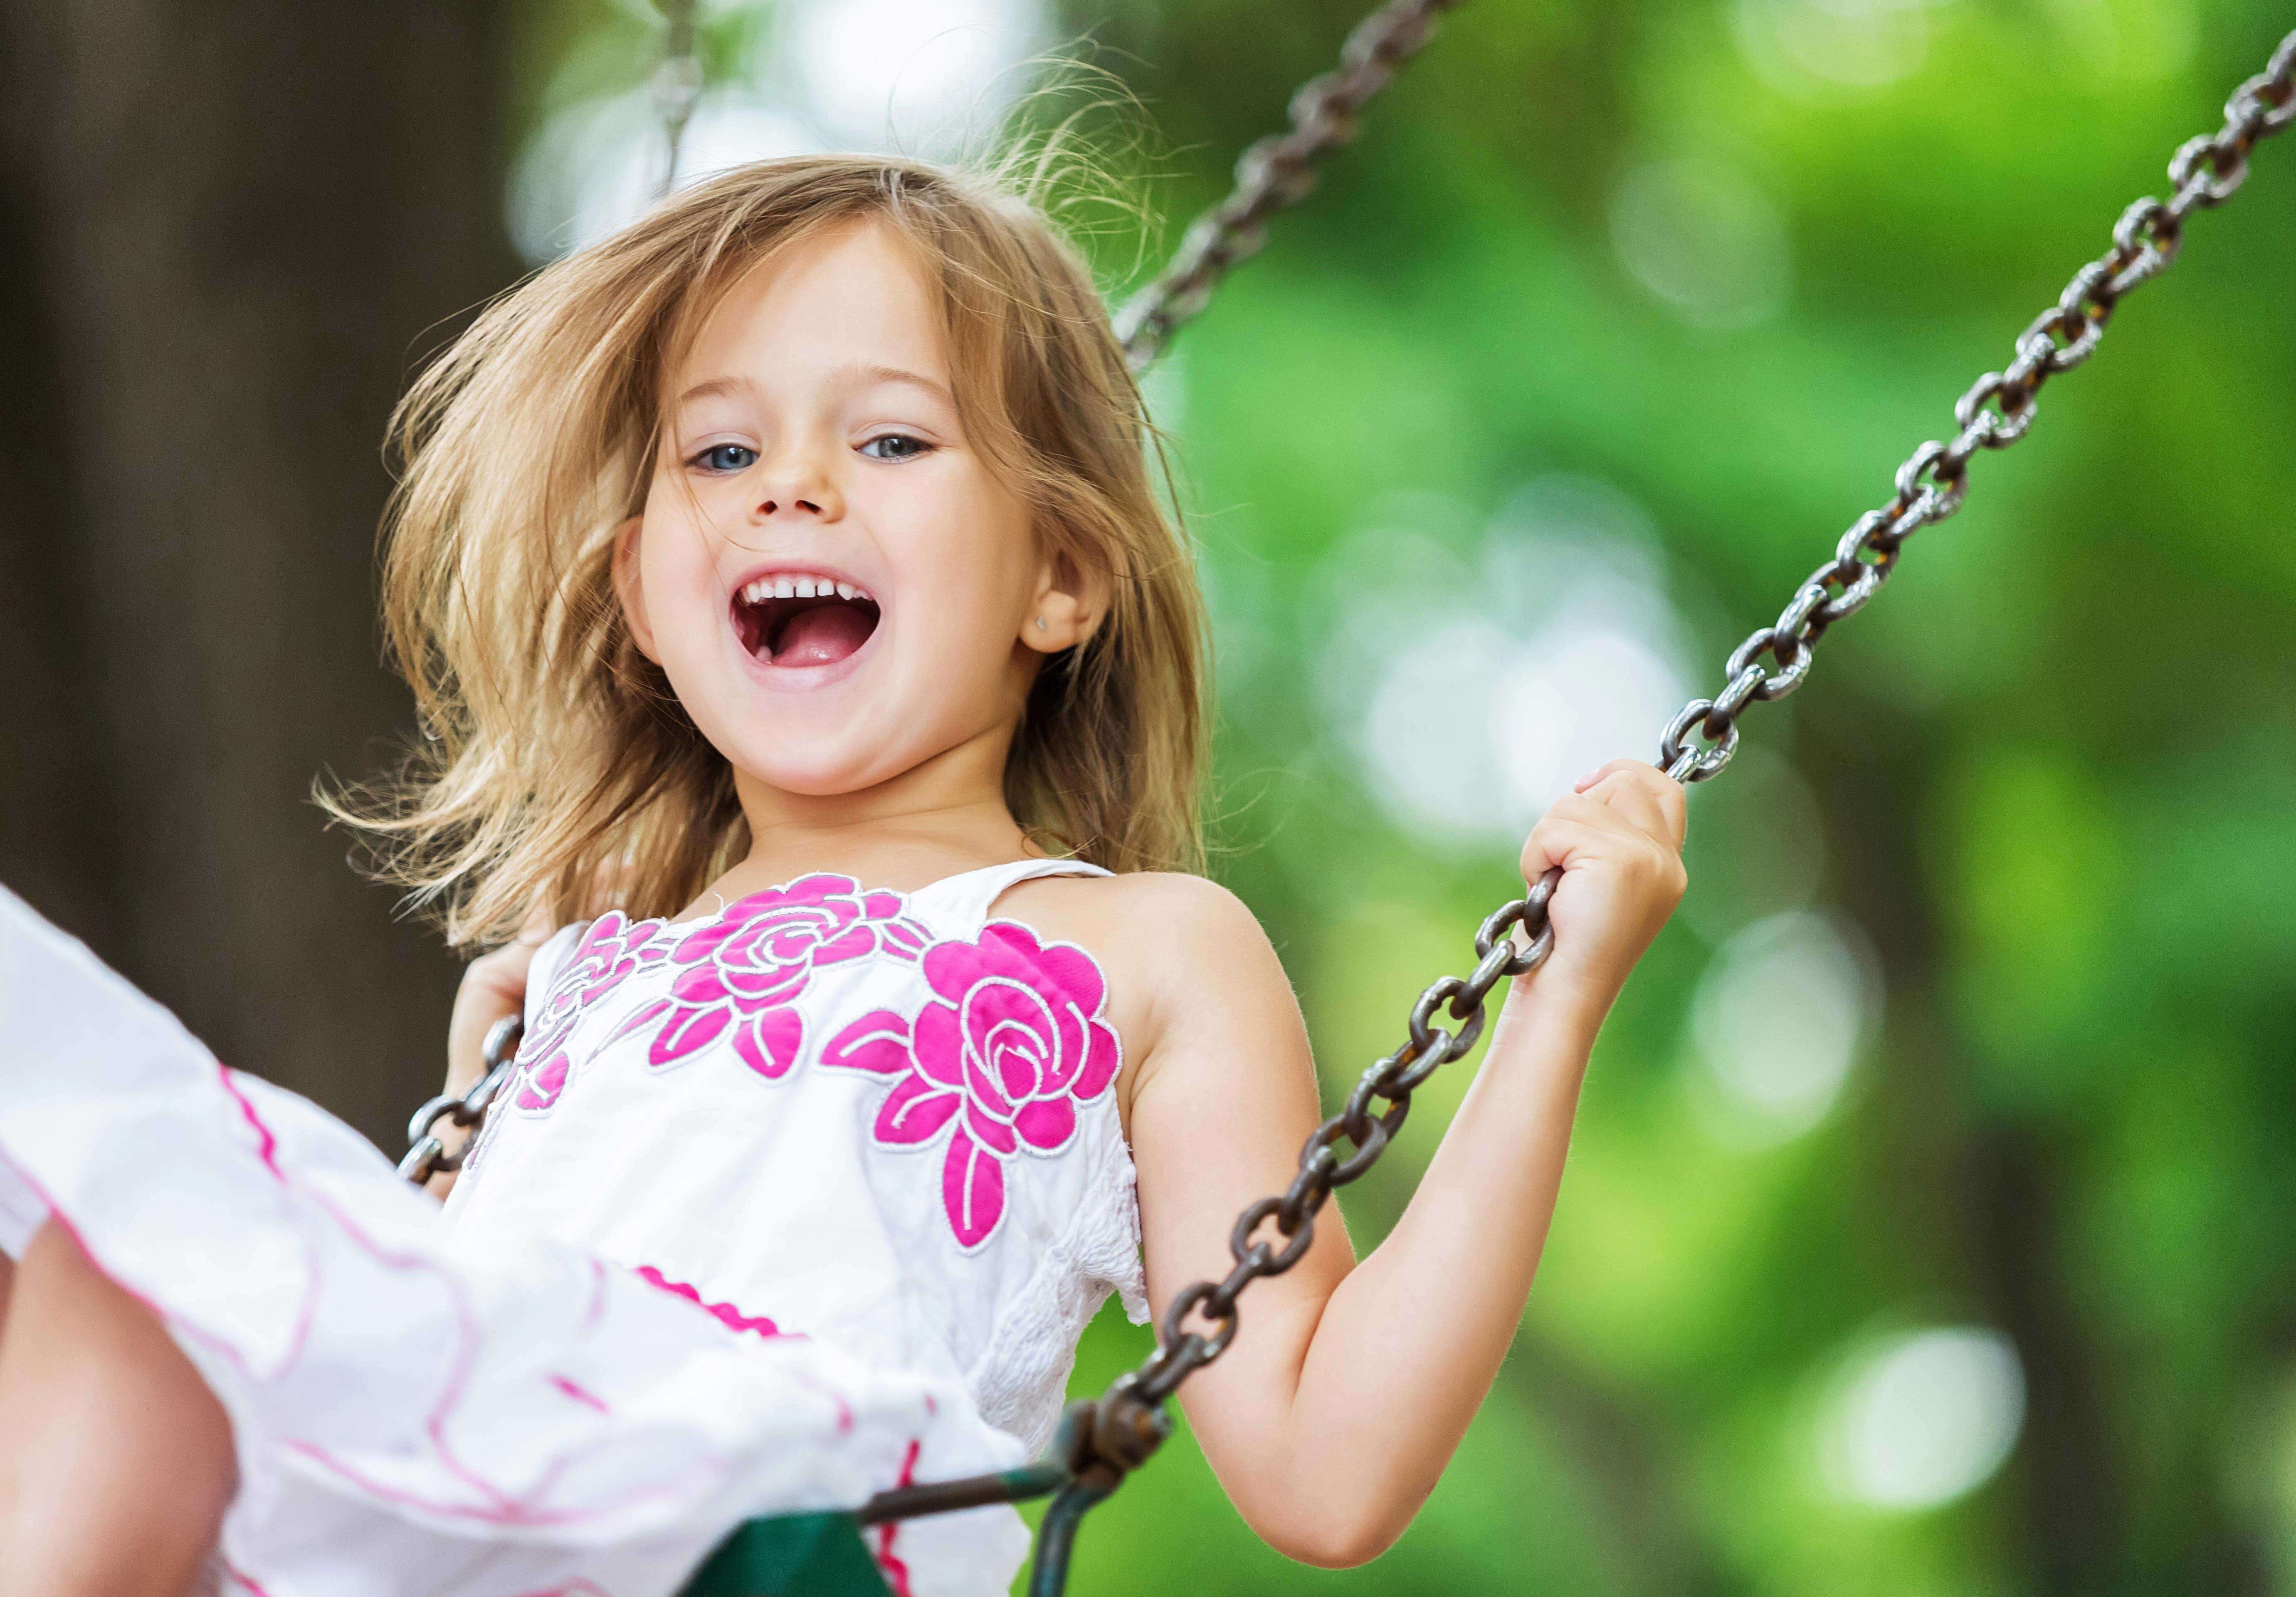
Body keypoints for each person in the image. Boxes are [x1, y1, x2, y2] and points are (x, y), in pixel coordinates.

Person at [0, 154, 1688, 1597]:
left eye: (890, 441)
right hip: (487, 1531)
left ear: (1065, 575)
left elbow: (1324, 1467)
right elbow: (427, 1365)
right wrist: (466, 1126)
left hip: (786, 1534)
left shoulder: (1137, 950)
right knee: (119, 1244)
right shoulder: (586, 975)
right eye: (721, 456)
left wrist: (1558, 998)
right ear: (642, 597)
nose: (793, 482)